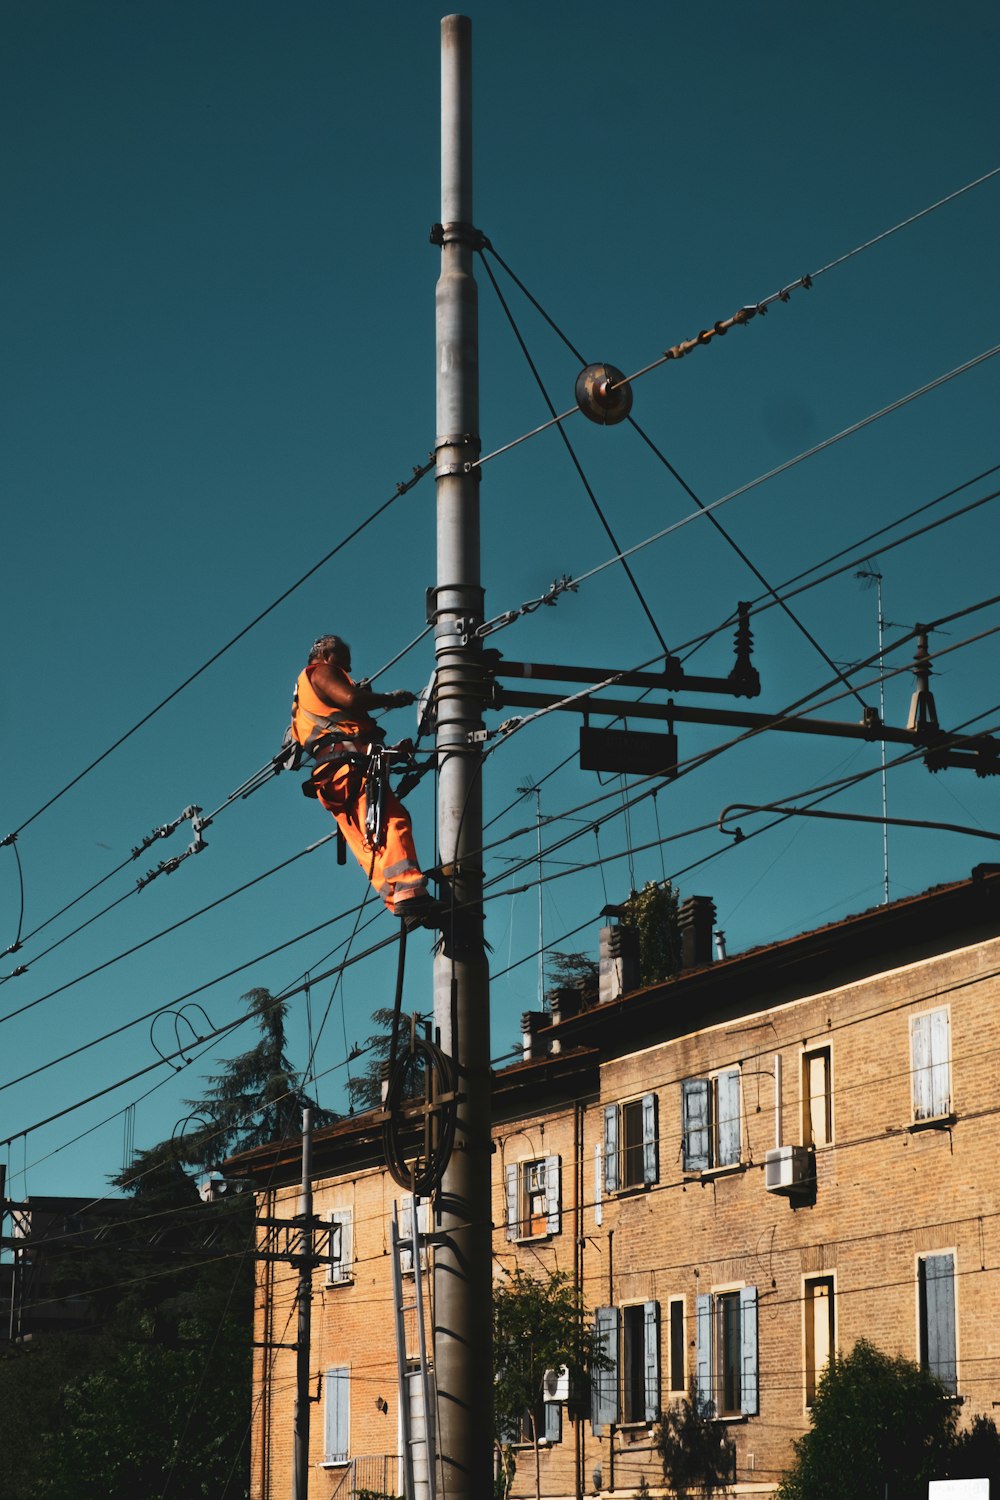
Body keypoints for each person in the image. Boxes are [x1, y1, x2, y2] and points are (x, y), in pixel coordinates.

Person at [290, 634, 437, 927]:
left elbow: (340, 733)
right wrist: (390, 700)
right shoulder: (320, 672)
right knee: (394, 822)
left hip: (330, 777)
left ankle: (400, 902)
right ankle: (409, 891)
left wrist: (395, 754)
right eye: (343, 662)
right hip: (351, 768)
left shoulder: (304, 705)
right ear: (327, 655)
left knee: (369, 843)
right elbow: (351, 699)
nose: (348, 670)